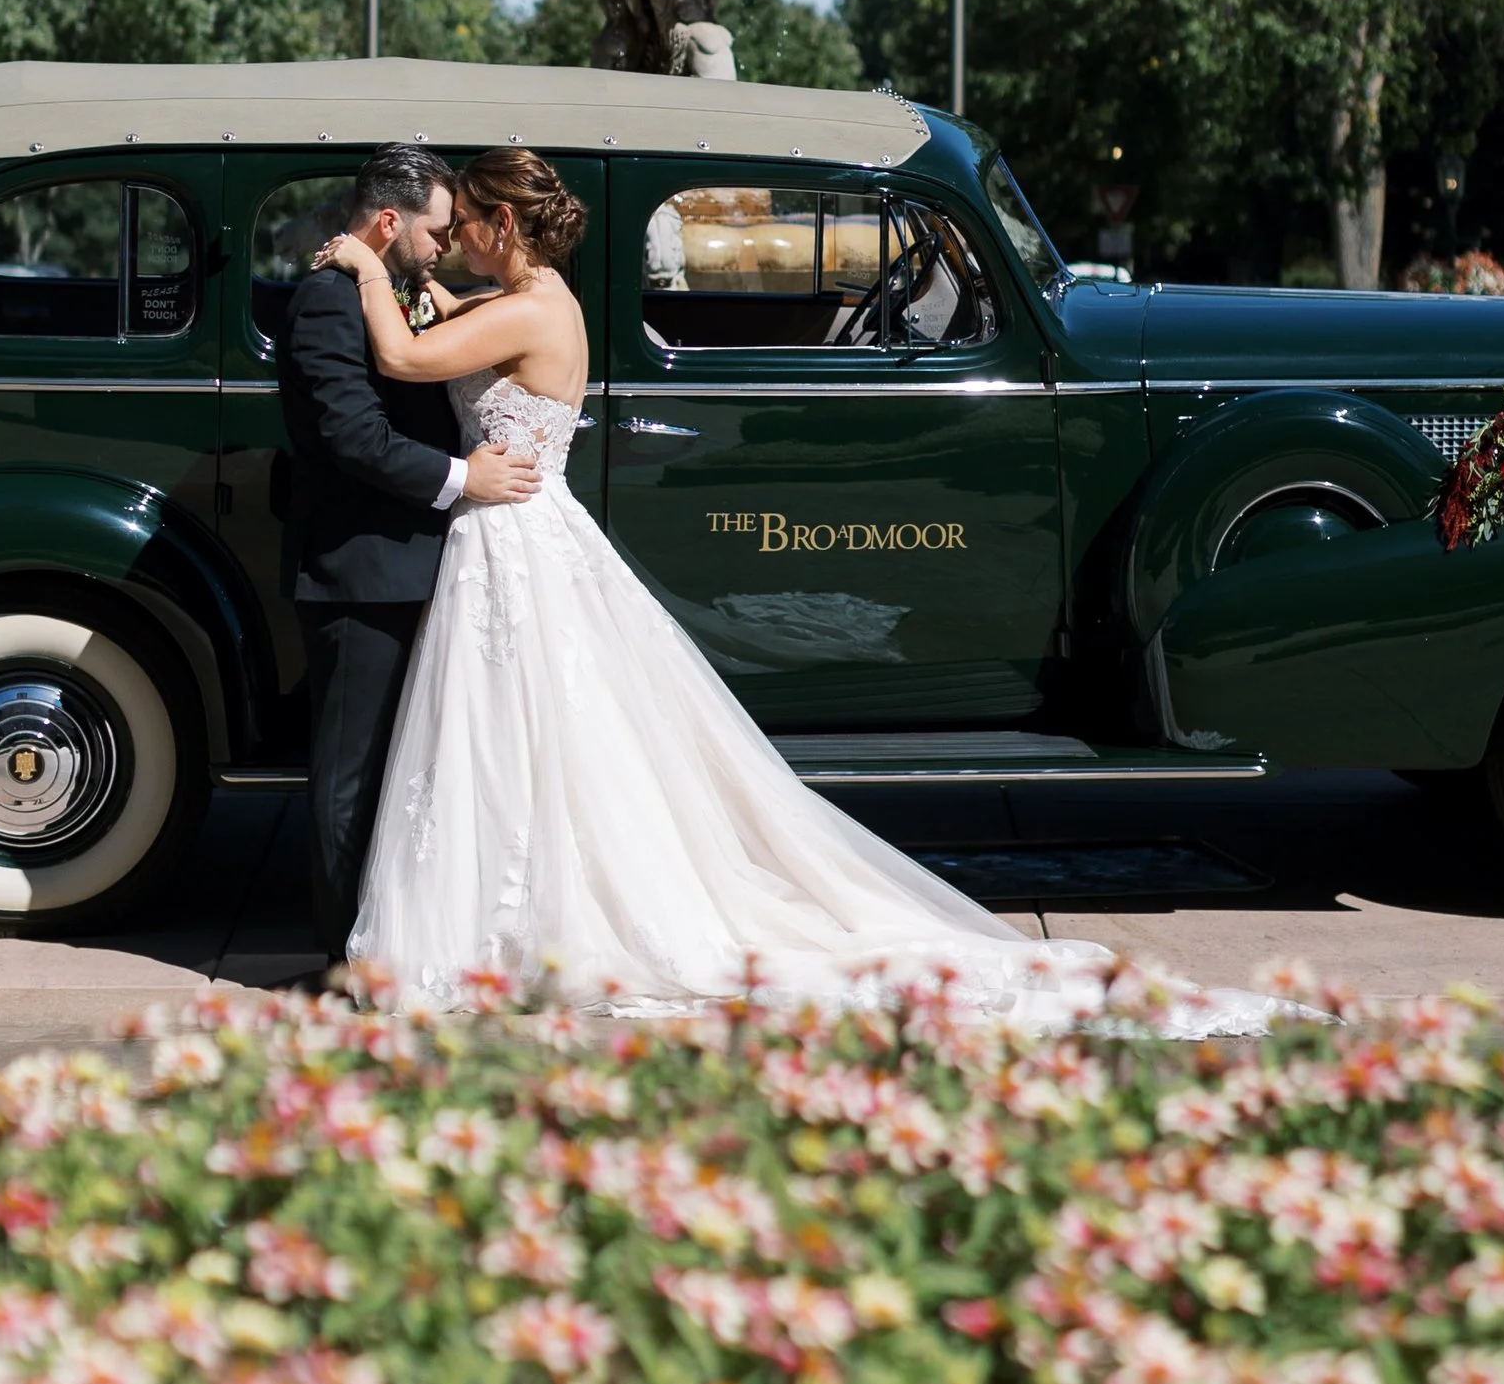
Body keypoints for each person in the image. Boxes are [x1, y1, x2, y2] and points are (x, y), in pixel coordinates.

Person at [317, 145, 1117, 1021]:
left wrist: (361, 266)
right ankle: (505, 908)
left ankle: (512, 917)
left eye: (465, 220)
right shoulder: (530, 301)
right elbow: (472, 330)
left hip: (508, 534)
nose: (455, 237)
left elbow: (397, 358)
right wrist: (447, 299)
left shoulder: (526, 313)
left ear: (503, 224)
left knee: (515, 730)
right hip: (516, 535)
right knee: (522, 736)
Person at [275, 142, 540, 962]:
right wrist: (466, 477)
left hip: (410, 560)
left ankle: (386, 941)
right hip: (359, 569)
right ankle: (338, 961)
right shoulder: (327, 299)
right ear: (389, 221)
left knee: (401, 768)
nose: (445, 244)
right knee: (351, 773)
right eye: (434, 229)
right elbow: (354, 435)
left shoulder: (394, 287)